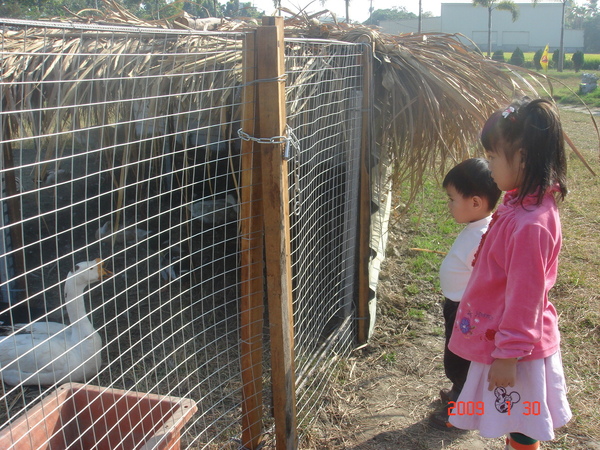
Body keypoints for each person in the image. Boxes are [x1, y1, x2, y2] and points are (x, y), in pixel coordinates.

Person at [447, 98, 572, 449]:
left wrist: (508, 355)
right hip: (506, 341)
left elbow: (525, 296)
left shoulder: (531, 224)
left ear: (522, 158)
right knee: (515, 416)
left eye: (492, 156)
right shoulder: (519, 202)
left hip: (518, 350)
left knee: (522, 421)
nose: (488, 165)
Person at [429, 158, 501, 430]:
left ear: (475, 203)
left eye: (451, 199)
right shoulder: (481, 228)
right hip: (459, 305)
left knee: (460, 359)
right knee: (458, 355)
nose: (448, 205)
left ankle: (461, 411)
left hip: (466, 310)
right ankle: (460, 396)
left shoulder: (482, 235)